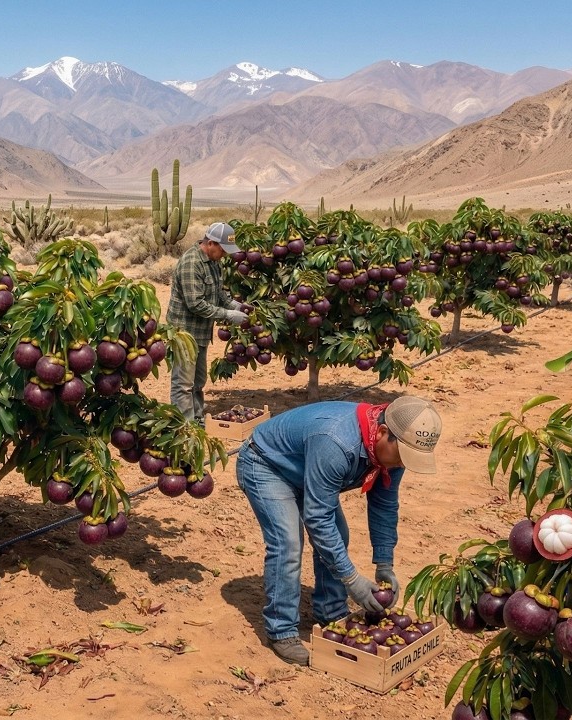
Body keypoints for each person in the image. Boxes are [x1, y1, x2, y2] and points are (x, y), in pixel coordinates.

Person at [233, 395, 443, 665]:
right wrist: (352, 580)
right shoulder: (337, 442)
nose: (403, 464)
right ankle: (281, 630)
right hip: (267, 465)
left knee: (337, 536)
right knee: (288, 543)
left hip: (307, 469)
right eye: (403, 457)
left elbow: (384, 505)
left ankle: (330, 612)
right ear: (382, 433)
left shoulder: (393, 452)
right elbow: (318, 518)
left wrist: (384, 562)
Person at [165, 222, 248, 422]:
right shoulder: (191, 263)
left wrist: (233, 305)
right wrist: (227, 315)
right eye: (223, 249)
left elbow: (218, 292)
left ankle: (197, 419)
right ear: (210, 243)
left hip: (201, 332)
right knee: (183, 383)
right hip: (184, 333)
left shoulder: (212, 262)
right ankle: (185, 426)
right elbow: (195, 304)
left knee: (198, 381)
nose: (225, 255)